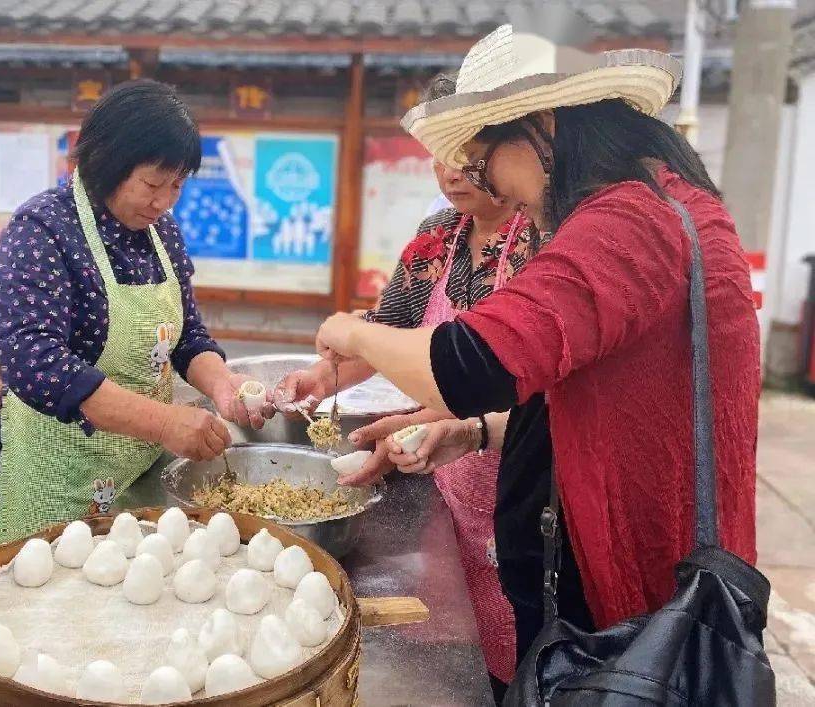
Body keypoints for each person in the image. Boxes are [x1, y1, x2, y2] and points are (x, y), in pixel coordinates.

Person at [308, 24, 759, 691]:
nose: (496, 189)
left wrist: (352, 331)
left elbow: (464, 365)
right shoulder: (668, 204)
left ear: (541, 126)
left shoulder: (627, 222)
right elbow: (591, 395)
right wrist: (473, 431)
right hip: (632, 578)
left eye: (485, 161)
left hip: (630, 600)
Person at [277, 71, 541, 697]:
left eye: (466, 154)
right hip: (448, 477)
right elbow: (388, 330)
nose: (451, 171)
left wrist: (472, 427)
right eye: (438, 157)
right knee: (459, 649)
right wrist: (326, 372)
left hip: (521, 471)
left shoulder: (539, 242)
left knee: (521, 640)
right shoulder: (436, 241)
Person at [0, 80, 272, 546]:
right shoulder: (42, 230)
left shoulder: (161, 232)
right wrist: (165, 422)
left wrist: (223, 386)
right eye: (153, 184)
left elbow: (187, 337)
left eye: (176, 186)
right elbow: (32, 361)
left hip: (140, 467)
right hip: (61, 475)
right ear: (108, 162)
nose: (164, 201)